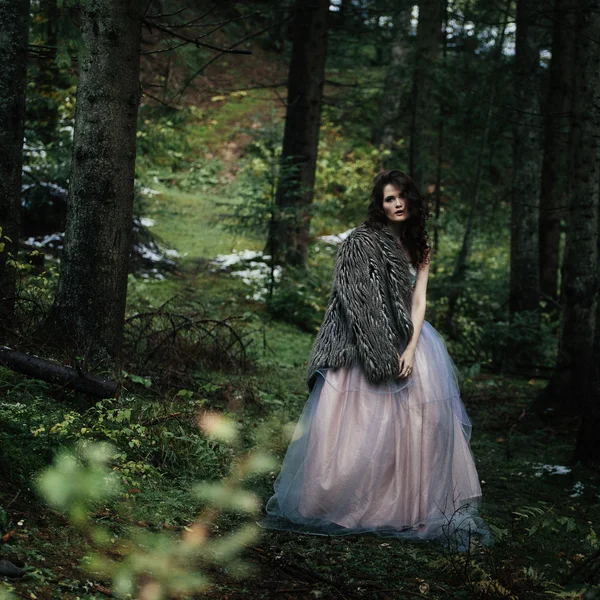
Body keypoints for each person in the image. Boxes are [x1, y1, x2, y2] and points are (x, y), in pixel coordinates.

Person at [258, 169, 490, 550]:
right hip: (364, 338)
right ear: (379, 205)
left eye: (401, 196)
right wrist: (379, 345)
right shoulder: (363, 242)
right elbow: (357, 298)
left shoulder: (420, 246)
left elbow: (419, 299)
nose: (396, 203)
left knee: (419, 424)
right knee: (360, 426)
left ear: (411, 200)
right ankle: (348, 503)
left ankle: (406, 509)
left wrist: (412, 347)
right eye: (388, 198)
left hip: (411, 337)